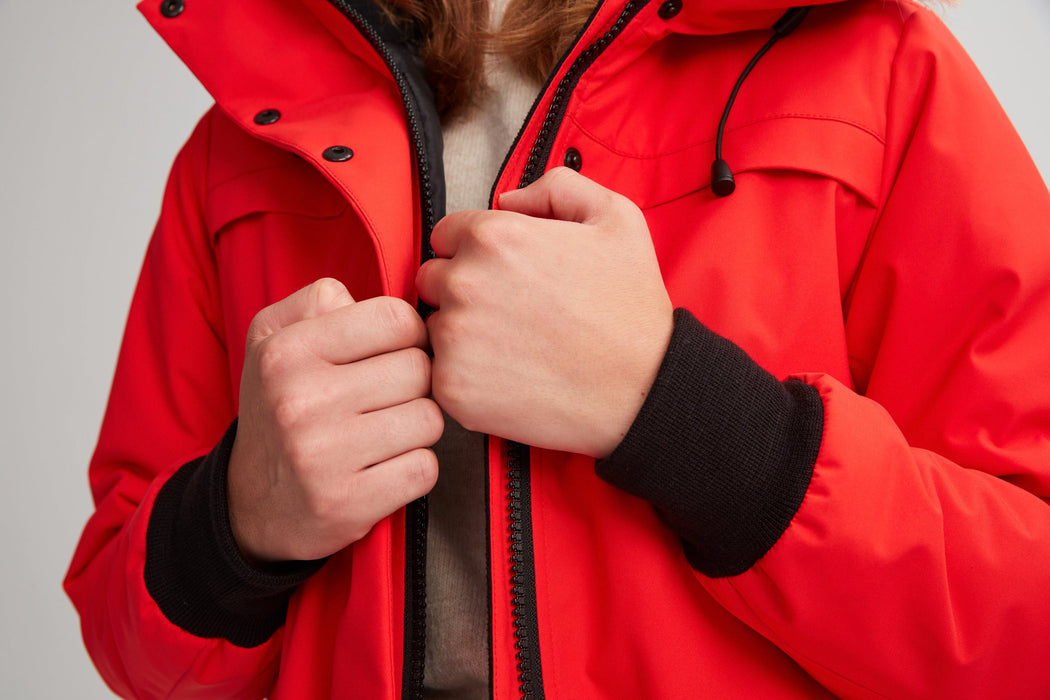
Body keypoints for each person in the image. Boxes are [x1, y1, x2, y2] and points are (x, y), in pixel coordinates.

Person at [65, 0, 1050, 697]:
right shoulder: (240, 141)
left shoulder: (880, 70)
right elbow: (129, 641)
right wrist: (234, 524)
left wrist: (688, 415)